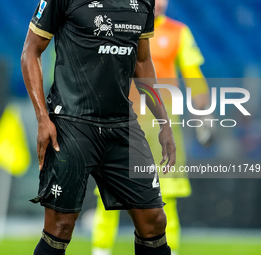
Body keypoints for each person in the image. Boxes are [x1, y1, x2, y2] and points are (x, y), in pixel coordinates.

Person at [21, 0, 177, 255]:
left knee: (154, 221)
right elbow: (30, 51)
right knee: (60, 226)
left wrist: (163, 122)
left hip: (122, 126)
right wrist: (42, 118)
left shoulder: (144, 2)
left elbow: (143, 61)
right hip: (72, 124)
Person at [91, 1, 212, 255]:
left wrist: (204, 114)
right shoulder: (118, 27)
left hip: (162, 125)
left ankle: (171, 251)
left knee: (167, 198)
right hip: (121, 119)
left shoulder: (178, 32)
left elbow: (193, 75)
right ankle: (100, 250)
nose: (160, 3)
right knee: (108, 194)